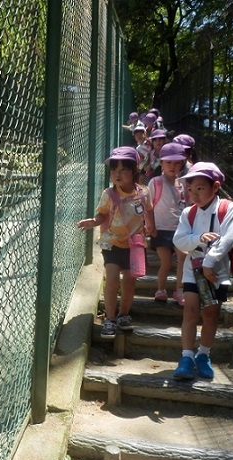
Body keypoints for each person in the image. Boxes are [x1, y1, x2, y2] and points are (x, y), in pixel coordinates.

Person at [172, 162, 233, 380]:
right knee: (190, 310)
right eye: (190, 189)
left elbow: (230, 236)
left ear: (215, 186)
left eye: (200, 188)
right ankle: (186, 356)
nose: (194, 194)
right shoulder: (187, 213)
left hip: (217, 270)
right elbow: (179, 240)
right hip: (193, 269)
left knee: (211, 314)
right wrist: (198, 239)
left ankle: (203, 354)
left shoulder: (227, 208)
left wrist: (210, 261)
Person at [77, 146, 151, 339]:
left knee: (129, 281)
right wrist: (93, 222)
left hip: (134, 246)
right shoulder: (108, 194)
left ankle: (124, 315)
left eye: (123, 169)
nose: (117, 174)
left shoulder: (143, 193)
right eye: (113, 169)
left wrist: (152, 226)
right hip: (111, 243)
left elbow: (148, 211)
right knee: (111, 279)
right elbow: (102, 214)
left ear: (134, 170)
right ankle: (109, 319)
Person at [146, 142, 188, 305]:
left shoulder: (184, 183)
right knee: (166, 261)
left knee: (182, 257)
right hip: (161, 229)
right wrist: (150, 225)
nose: (173, 166)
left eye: (177, 162)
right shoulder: (155, 182)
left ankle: (179, 290)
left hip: (180, 229)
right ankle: (161, 289)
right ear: (161, 162)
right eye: (168, 162)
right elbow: (148, 206)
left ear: (182, 163)